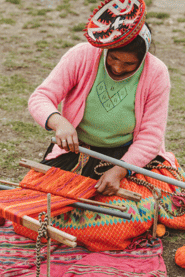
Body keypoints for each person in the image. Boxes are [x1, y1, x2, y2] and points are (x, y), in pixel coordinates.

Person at [25, 0, 185, 251]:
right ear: (106, 48)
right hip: (79, 153)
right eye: (114, 58)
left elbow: (151, 136)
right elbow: (41, 97)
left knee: (121, 219)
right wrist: (59, 122)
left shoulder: (157, 73)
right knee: (29, 210)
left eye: (129, 63)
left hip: (128, 157)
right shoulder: (82, 55)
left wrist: (120, 171)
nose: (119, 67)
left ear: (144, 57)